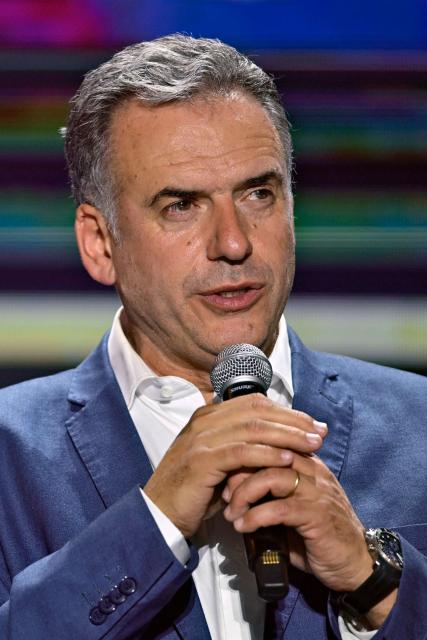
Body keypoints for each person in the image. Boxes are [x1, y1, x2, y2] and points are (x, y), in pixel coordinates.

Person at [0, 34, 426, 640]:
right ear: (100, 242)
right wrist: (155, 523)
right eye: (181, 205)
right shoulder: (9, 457)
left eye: (258, 193)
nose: (234, 243)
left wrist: (373, 580)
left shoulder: (421, 428)